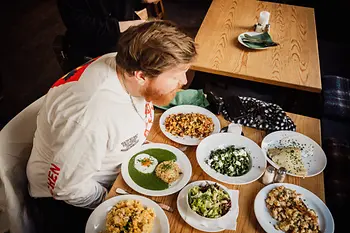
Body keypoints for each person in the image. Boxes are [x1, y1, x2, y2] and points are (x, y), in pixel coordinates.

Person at [26, 20, 196, 232]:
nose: (184, 80)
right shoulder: (91, 118)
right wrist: (121, 202)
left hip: (110, 168)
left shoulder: (123, 64)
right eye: (175, 75)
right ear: (141, 76)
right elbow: (66, 188)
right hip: (68, 199)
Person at [57, 0, 159, 68]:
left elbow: (127, 4)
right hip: (96, 49)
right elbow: (83, 28)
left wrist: (143, 1)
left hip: (128, 36)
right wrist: (129, 26)